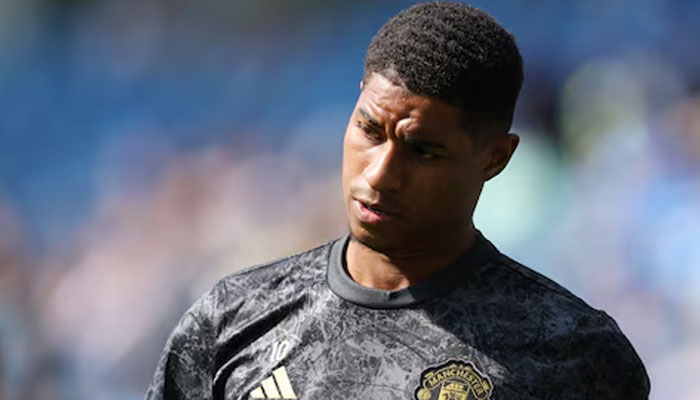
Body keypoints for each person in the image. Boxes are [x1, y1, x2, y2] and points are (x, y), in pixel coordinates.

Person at [145, 3, 650, 399]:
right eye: (368, 129)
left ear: (495, 158)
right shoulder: (232, 318)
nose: (381, 173)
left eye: (423, 150)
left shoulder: (574, 354)